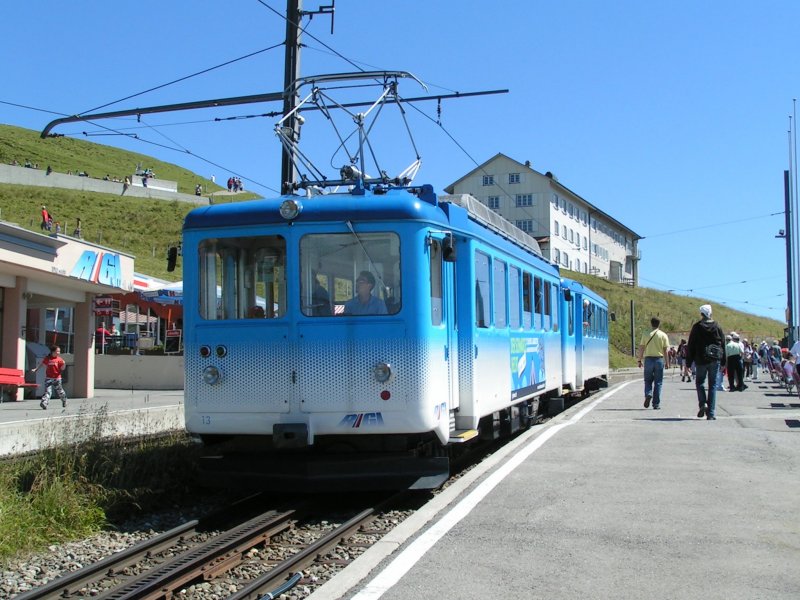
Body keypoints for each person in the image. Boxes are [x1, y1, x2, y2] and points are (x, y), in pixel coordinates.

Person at [686, 304, 726, 420]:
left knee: (700, 382)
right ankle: (711, 413)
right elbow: (722, 344)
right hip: (714, 359)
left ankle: (703, 403)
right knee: (712, 385)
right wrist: (724, 361)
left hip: (700, 359)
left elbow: (691, 345)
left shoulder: (697, 327)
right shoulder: (717, 326)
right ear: (710, 313)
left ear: (701, 314)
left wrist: (688, 363)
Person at [637, 316, 670, 409]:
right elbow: (665, 350)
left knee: (647, 380)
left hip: (648, 359)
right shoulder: (663, 335)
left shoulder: (646, 334)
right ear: (659, 324)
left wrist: (639, 360)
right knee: (658, 382)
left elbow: (641, 348)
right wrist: (667, 362)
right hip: (659, 360)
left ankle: (648, 393)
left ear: (651, 323)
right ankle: (656, 404)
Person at [31, 345, 67, 410]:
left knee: (60, 391)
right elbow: (42, 364)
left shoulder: (60, 359)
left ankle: (64, 400)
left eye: (59, 351)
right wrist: (36, 369)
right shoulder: (48, 358)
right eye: (57, 351)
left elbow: (62, 368)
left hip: (57, 378)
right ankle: (44, 403)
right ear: (53, 352)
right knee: (48, 391)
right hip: (49, 378)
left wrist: (64, 364)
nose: (58, 353)